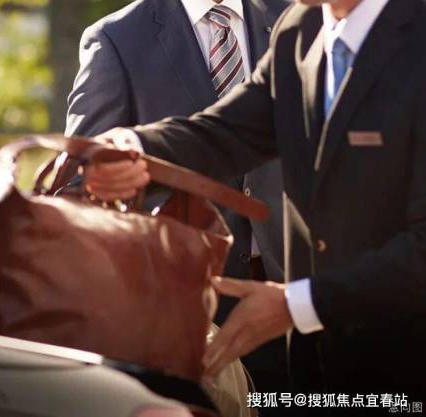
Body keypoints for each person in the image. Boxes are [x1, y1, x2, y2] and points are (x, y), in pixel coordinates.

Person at [84, 0, 426, 407]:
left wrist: (296, 304)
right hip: (315, 369)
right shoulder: (299, 28)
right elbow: (227, 132)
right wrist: (135, 145)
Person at [65, 0, 290, 396]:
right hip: (183, 305)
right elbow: (84, 181)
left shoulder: (294, 18)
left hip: (291, 295)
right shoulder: (117, 37)